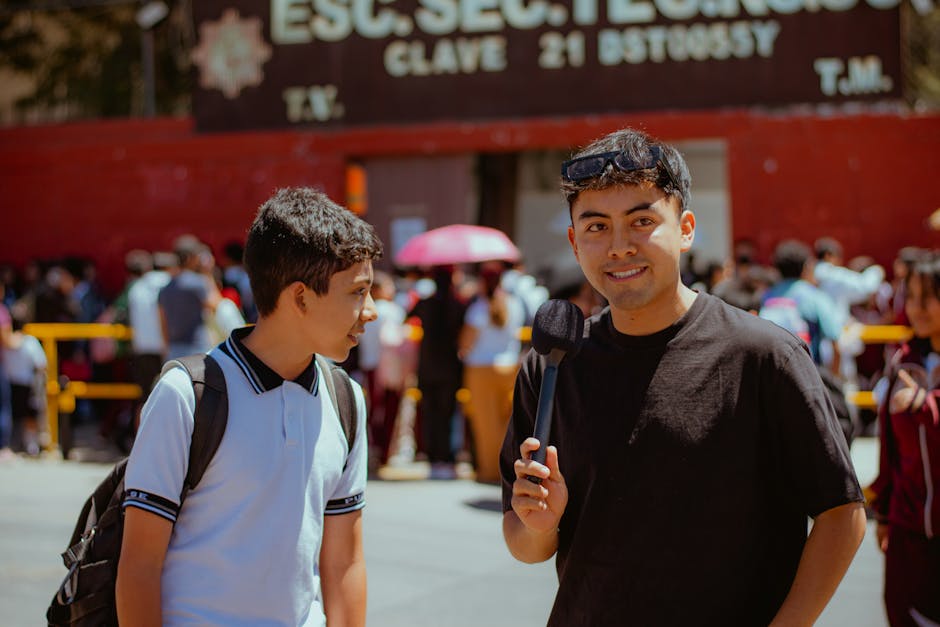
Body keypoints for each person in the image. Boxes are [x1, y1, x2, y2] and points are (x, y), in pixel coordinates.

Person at [500, 128, 867, 626]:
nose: (619, 247)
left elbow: (841, 514)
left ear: (687, 227)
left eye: (642, 221)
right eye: (596, 227)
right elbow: (525, 546)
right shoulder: (552, 365)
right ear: (573, 240)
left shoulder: (763, 355)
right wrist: (540, 525)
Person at [116, 187, 382, 627]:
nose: (370, 311)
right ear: (300, 297)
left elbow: (345, 564)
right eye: (358, 291)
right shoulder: (187, 394)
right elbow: (140, 565)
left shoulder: (346, 399)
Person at [867, 251, 940, 627]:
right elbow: (890, 450)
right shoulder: (904, 362)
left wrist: (926, 407)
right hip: (909, 532)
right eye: (910, 297)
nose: (917, 308)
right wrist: (883, 514)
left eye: (928, 297)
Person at [459, 262, 525, 483]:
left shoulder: (478, 308)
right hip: (510, 368)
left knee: (486, 426)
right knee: (508, 424)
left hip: (481, 369)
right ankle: (510, 469)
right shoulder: (515, 304)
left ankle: (490, 472)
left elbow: (466, 343)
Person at [158, 234, 218, 361]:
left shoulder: (165, 288)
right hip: (197, 347)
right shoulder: (198, 282)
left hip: (174, 349)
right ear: (191, 258)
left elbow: (163, 323)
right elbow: (215, 305)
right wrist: (208, 273)